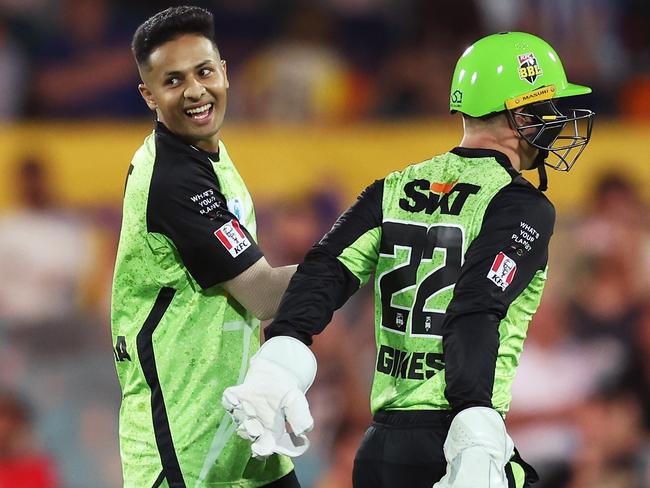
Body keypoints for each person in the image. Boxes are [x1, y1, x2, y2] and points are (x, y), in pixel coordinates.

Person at [223, 32, 595, 488]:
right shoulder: (521, 205)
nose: (556, 119)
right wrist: (476, 422)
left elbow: (324, 270)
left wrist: (280, 355)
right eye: (547, 107)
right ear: (520, 113)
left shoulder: (392, 187)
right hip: (457, 440)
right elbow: (476, 308)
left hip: (380, 450)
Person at [111, 6, 303, 487]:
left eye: (204, 71)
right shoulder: (173, 179)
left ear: (225, 73)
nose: (195, 90)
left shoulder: (205, 149)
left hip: (237, 417)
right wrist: (366, 246)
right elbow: (262, 295)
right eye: (173, 81)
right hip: (184, 437)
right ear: (148, 95)